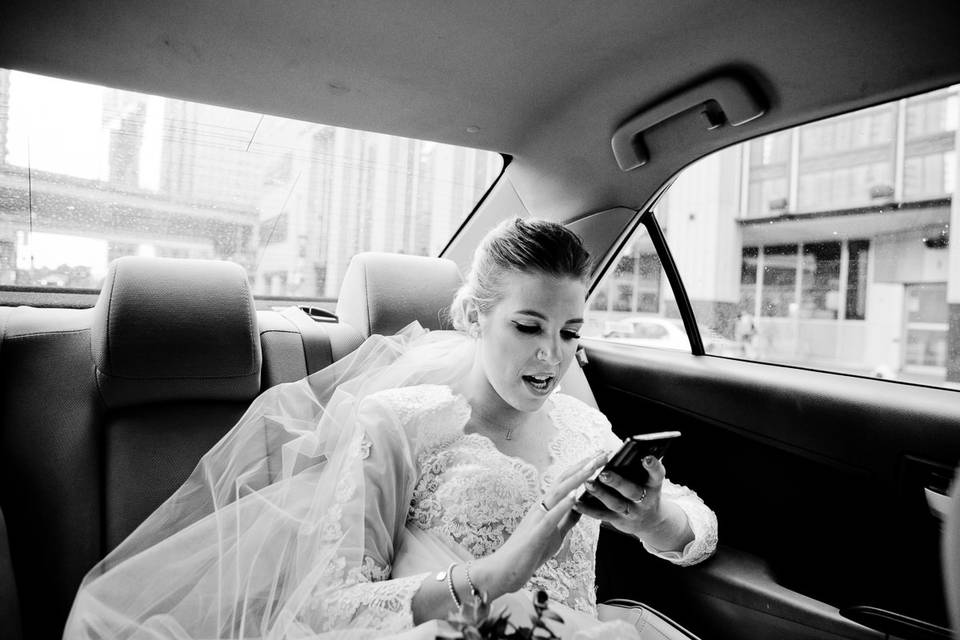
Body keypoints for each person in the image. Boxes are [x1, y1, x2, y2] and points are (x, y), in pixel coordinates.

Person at [64, 218, 717, 639]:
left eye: (570, 334)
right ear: (473, 317)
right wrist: (506, 567)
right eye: (528, 328)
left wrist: (654, 519)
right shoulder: (401, 425)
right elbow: (334, 607)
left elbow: (696, 528)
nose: (552, 357)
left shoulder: (581, 424)